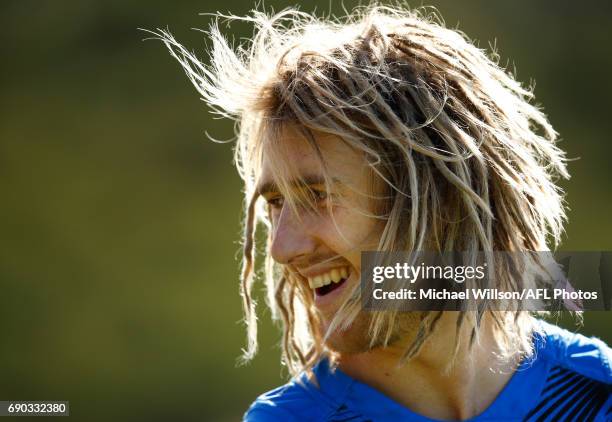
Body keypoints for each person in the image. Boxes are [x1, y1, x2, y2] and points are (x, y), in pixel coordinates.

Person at [150, 5, 611, 421]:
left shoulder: (596, 393)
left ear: (440, 198)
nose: (281, 247)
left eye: (317, 196)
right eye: (275, 204)